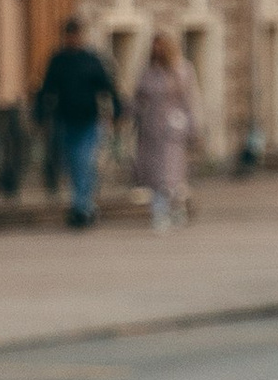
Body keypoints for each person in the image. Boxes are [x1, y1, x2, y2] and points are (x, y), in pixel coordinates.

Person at [35, 14, 121, 229]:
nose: (73, 39)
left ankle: (80, 208)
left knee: (84, 161)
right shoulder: (58, 61)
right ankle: (86, 205)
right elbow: (46, 89)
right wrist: (40, 114)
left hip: (89, 120)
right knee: (72, 164)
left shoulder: (91, 60)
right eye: (69, 35)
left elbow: (107, 88)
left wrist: (116, 110)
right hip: (65, 119)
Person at [131, 33, 204, 229]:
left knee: (172, 174)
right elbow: (138, 97)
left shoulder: (183, 70)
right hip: (152, 130)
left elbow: (189, 101)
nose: (158, 51)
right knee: (155, 175)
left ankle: (176, 207)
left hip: (174, 130)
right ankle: (159, 211)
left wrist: (193, 128)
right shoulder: (149, 72)